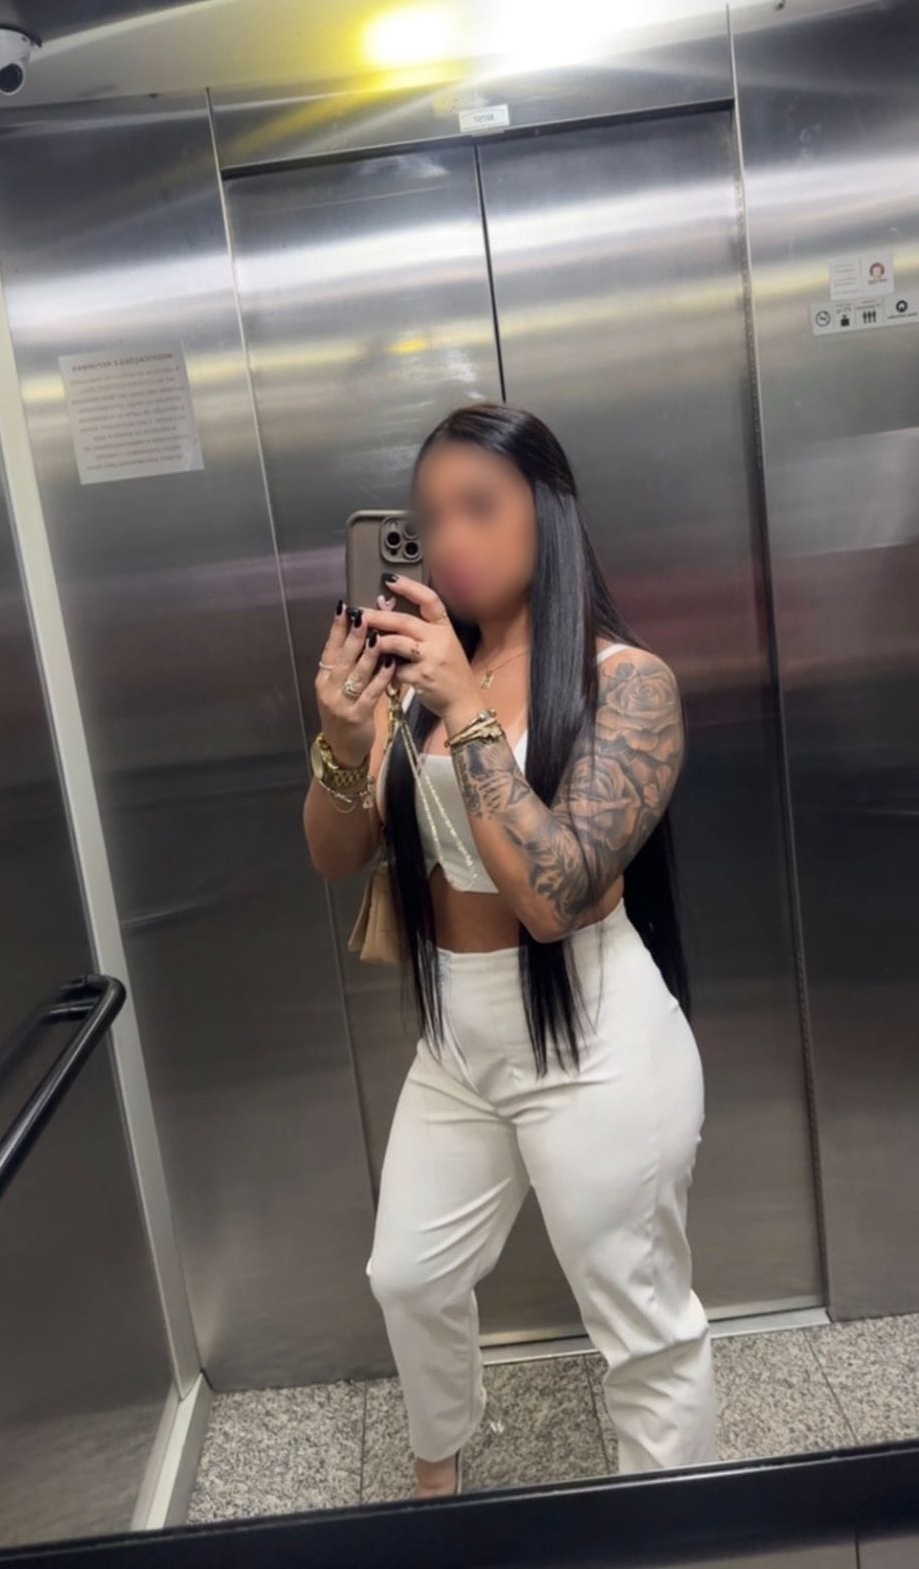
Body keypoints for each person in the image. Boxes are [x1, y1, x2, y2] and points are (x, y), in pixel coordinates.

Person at [303, 403, 716, 1499]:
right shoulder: (416, 681)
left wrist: (467, 705)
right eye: (430, 517)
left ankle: (672, 1526)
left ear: (548, 511)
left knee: (639, 1321)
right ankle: (436, 1480)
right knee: (406, 1273)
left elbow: (552, 897)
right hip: (458, 1041)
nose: (449, 539)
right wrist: (344, 742)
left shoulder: (626, 681)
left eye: (478, 507)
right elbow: (335, 855)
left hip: (594, 1037)